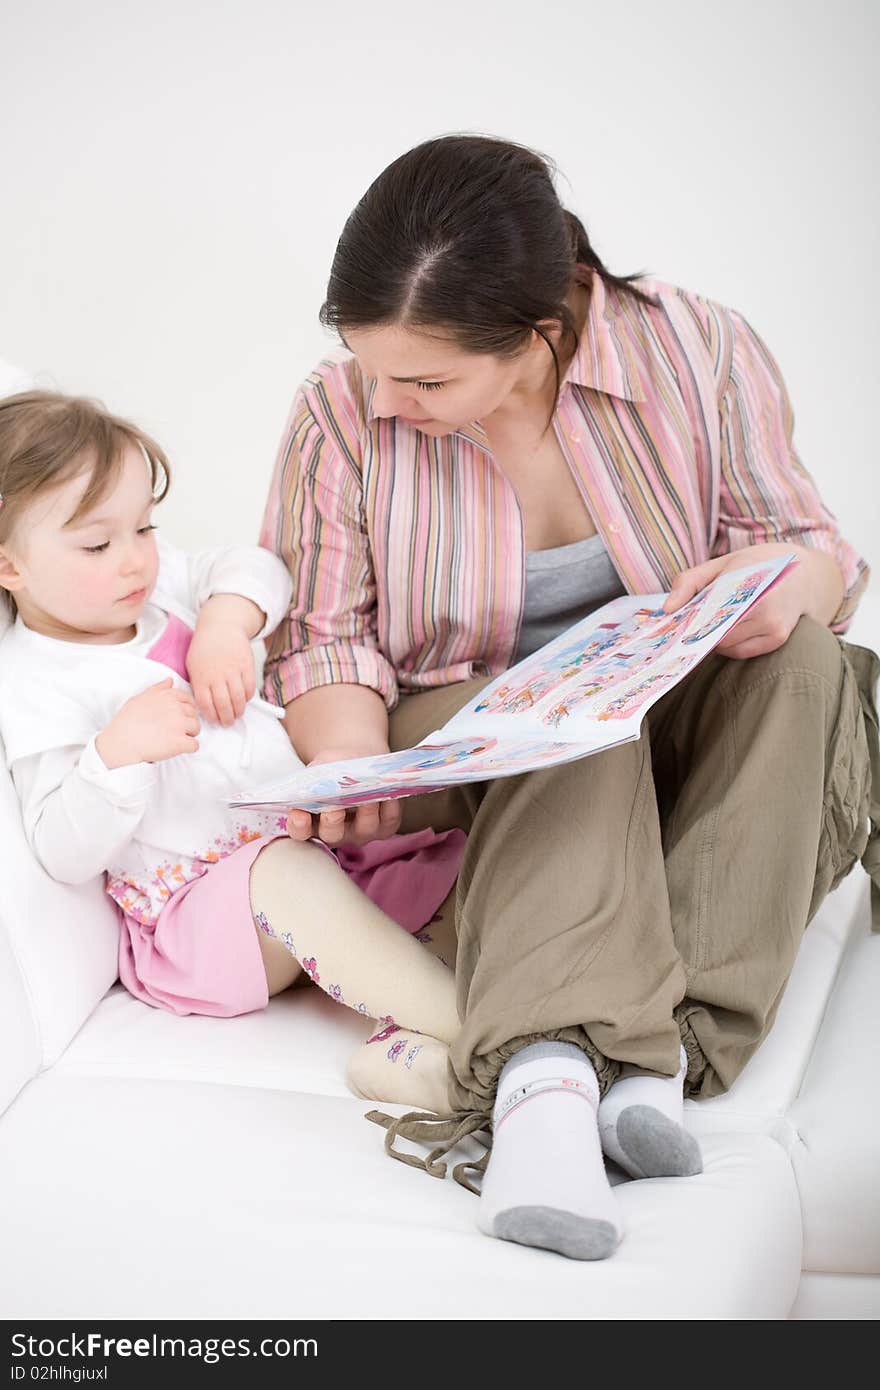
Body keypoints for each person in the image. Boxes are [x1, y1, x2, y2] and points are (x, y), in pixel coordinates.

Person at [260, 134, 879, 1262]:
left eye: (428, 378)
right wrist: (353, 763)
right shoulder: (339, 411)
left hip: (659, 724)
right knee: (560, 715)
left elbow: (809, 547)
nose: (389, 400)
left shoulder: (699, 348)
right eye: (372, 365)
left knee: (806, 663)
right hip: (469, 741)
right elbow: (322, 635)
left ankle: (650, 1060)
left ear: (543, 328)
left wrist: (779, 584)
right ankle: (548, 1081)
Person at [0, 390, 468, 1109]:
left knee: (459, 862)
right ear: (10, 569)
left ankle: (405, 1053)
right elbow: (62, 851)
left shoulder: (162, 596)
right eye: (98, 544)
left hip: (310, 854)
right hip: (196, 922)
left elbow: (261, 568)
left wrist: (223, 623)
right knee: (287, 875)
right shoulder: (35, 682)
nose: (136, 561)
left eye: (144, 528)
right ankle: (480, 1039)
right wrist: (115, 757)